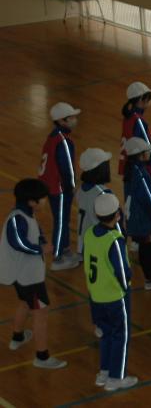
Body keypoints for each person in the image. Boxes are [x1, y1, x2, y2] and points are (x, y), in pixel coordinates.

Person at [0, 178, 67, 369]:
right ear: (32, 201)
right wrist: (40, 249)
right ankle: (42, 357)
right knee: (41, 312)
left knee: (25, 302)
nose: (45, 200)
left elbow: (31, 234)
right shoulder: (18, 219)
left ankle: (17, 337)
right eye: (42, 198)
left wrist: (41, 240)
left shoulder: (25, 214)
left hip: (22, 276)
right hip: (28, 277)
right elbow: (18, 243)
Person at [83, 192, 137, 391]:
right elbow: (121, 270)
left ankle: (104, 371)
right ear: (117, 215)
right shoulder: (114, 239)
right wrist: (127, 284)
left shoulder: (90, 233)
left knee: (106, 333)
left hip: (95, 295)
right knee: (121, 335)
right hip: (115, 296)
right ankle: (116, 377)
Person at [77, 147, 116, 339]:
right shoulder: (103, 193)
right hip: (102, 245)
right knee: (107, 288)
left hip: (86, 245)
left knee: (94, 287)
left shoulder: (82, 190)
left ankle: (99, 322)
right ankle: (106, 323)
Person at [38, 102, 81, 271]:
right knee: (61, 221)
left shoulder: (53, 137)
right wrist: (71, 186)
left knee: (62, 219)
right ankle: (57, 258)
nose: (75, 120)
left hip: (51, 186)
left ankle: (65, 249)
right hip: (60, 188)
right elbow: (67, 168)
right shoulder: (63, 141)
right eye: (72, 117)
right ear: (62, 121)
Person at [122, 137, 151, 290]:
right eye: (146, 151)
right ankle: (150, 278)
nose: (149, 153)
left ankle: (149, 275)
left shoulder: (131, 169)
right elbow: (147, 197)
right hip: (142, 217)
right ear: (140, 155)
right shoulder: (140, 173)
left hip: (135, 215)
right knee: (147, 246)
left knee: (144, 245)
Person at [119, 82, 151, 180]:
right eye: (149, 98)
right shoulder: (138, 120)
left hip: (128, 164)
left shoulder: (128, 117)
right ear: (141, 99)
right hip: (139, 165)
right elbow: (147, 144)